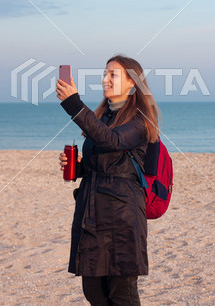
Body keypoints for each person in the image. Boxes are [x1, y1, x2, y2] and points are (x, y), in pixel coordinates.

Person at [56, 54, 160, 306]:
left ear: (132, 84)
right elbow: (106, 155)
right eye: (105, 73)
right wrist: (78, 167)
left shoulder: (139, 120)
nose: (105, 79)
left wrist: (73, 103)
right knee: (93, 291)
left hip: (122, 217)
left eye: (113, 75)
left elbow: (112, 141)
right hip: (92, 213)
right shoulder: (102, 118)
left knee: (121, 294)